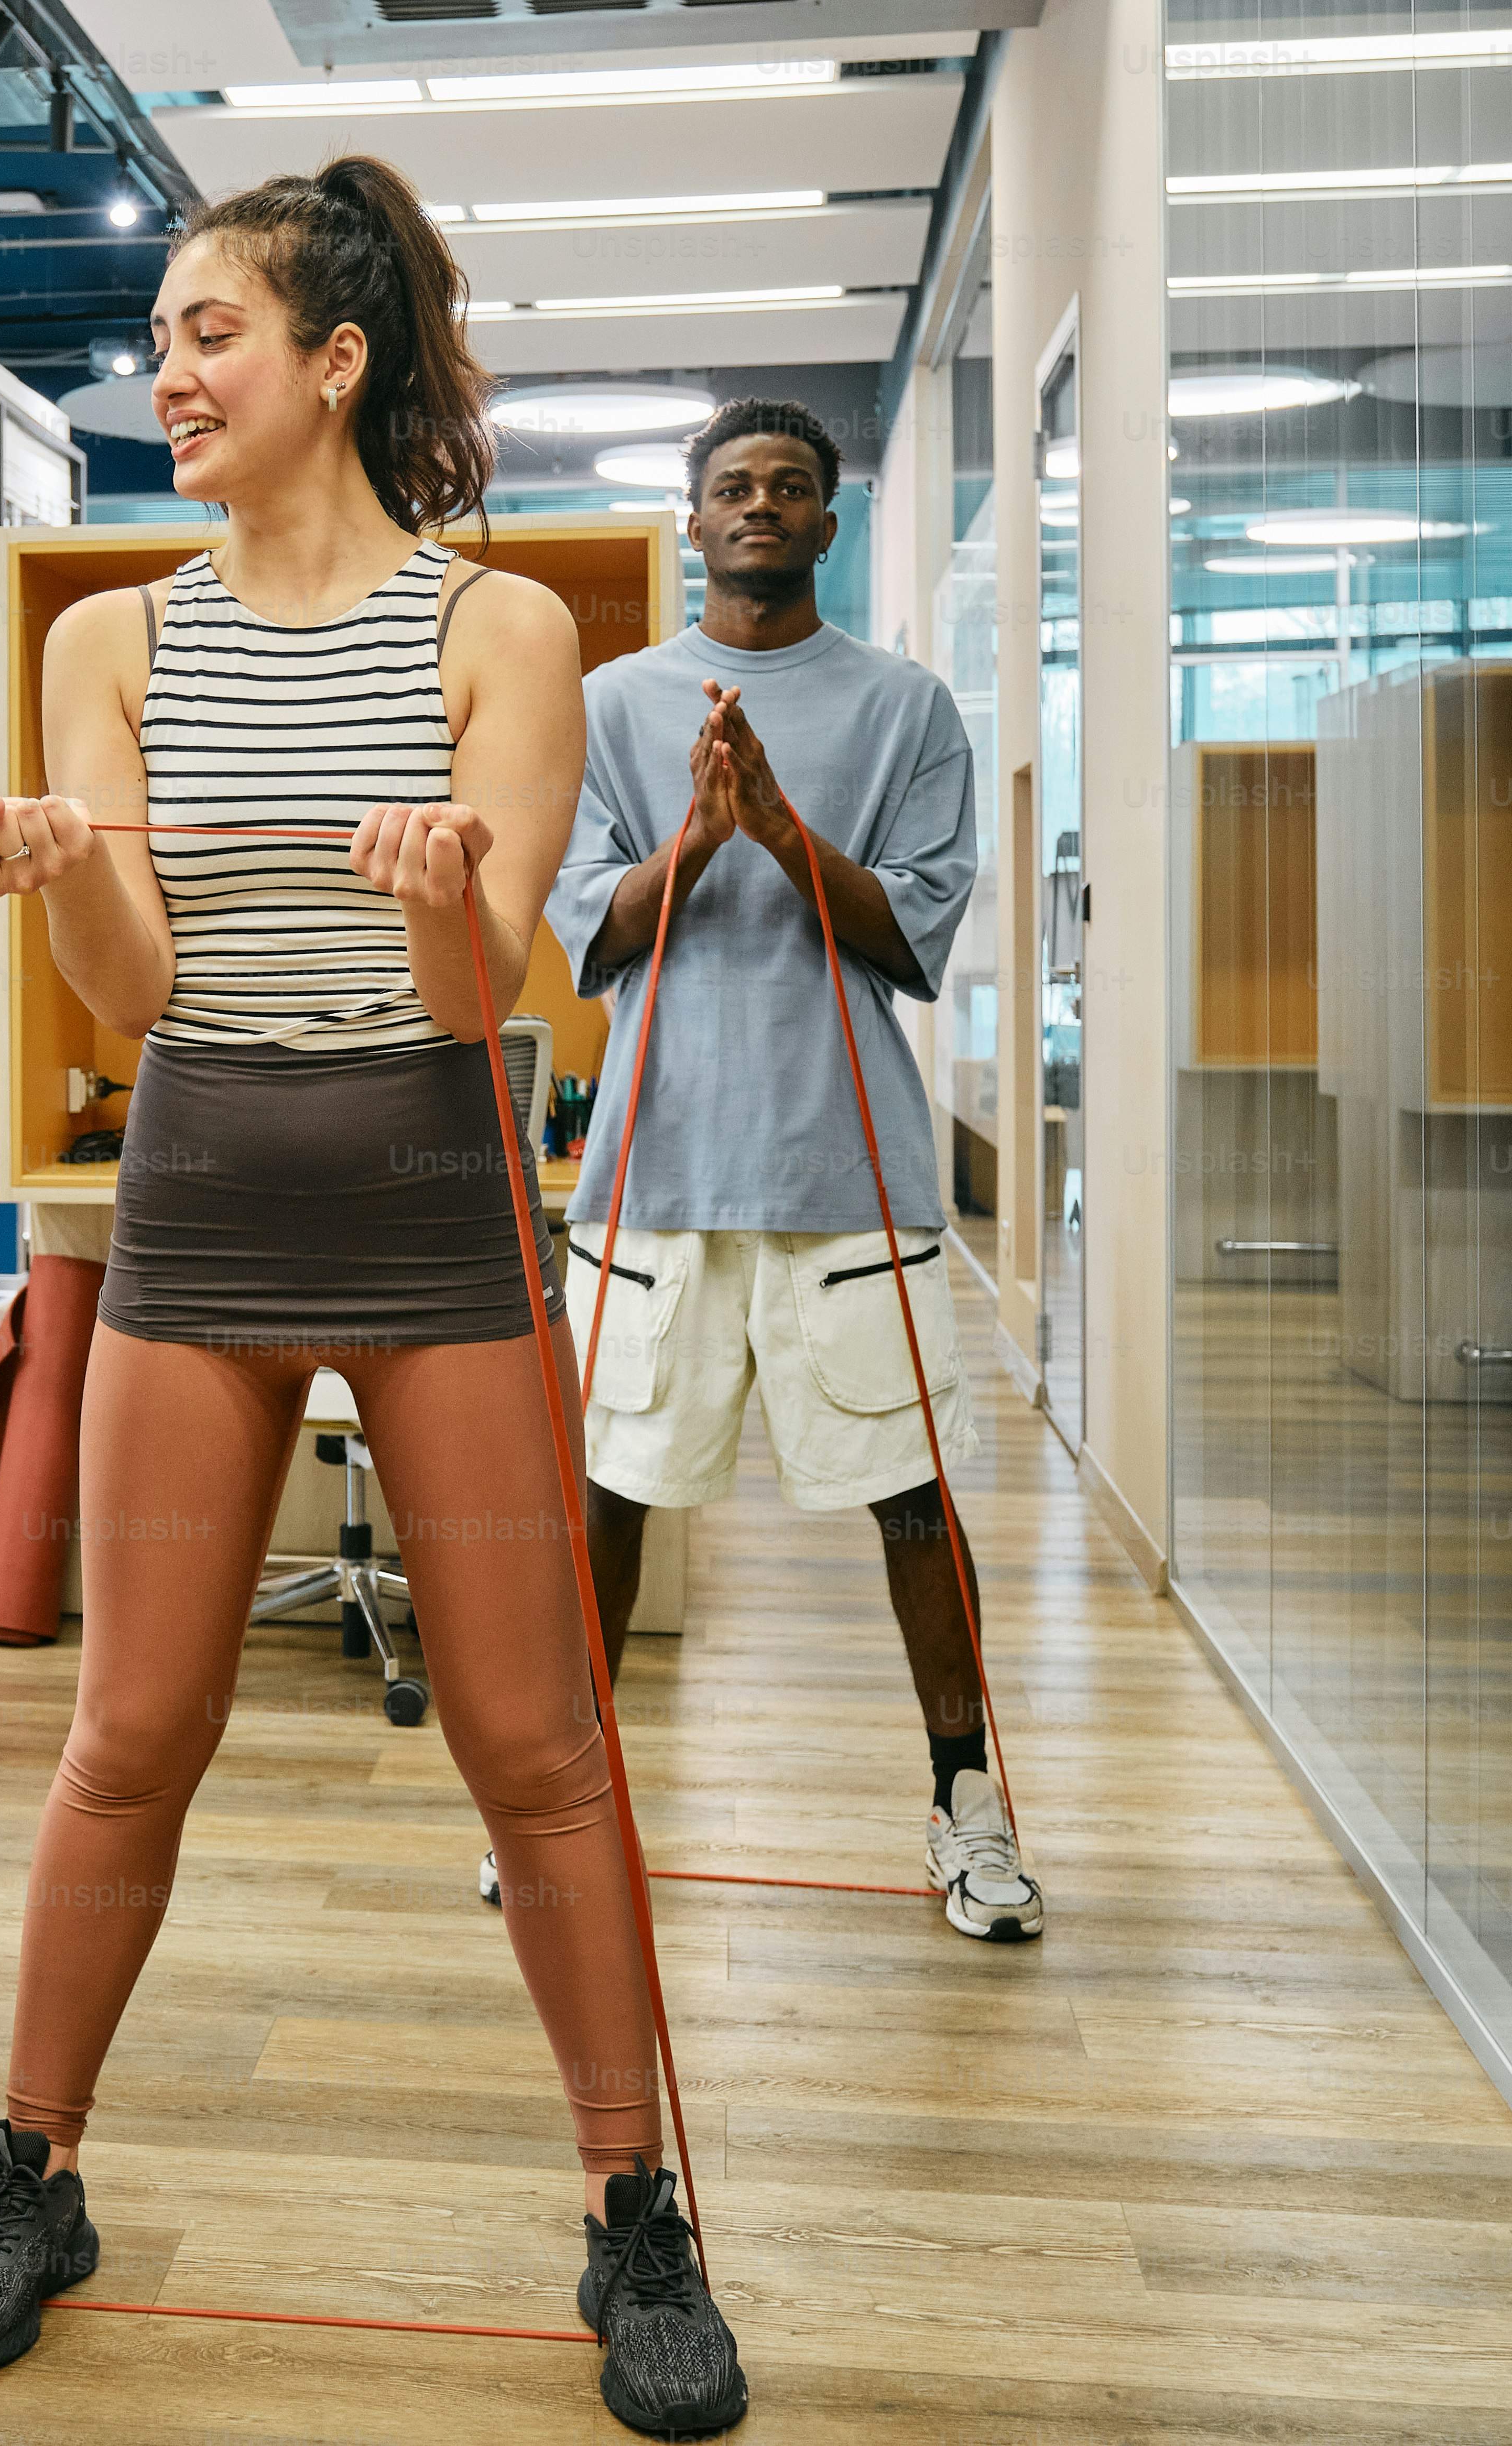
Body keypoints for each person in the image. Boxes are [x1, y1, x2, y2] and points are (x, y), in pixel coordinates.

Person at [0, 159, 745, 2438]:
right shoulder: (109, 645)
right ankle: (31, 2174)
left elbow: (487, 1005)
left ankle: (632, 2205)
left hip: (428, 1188)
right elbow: (135, 985)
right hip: (202, 1191)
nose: (165, 373)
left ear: (332, 359)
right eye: (160, 340)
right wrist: (59, 881)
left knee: (536, 1743)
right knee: (128, 1733)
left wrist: (458, 888)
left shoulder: (497, 634)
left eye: (207, 334)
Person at [531, 400, 1036, 1944]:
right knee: (609, 1494)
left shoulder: (908, 709)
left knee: (909, 1503)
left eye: (792, 488)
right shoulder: (606, 703)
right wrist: (695, 835)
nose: (761, 505)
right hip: (652, 1170)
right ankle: (567, 1811)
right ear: (693, 522)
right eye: (734, 487)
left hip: (849, 1170)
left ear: (828, 524)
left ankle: (970, 1807)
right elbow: (589, 941)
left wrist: (783, 829)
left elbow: (911, 943)